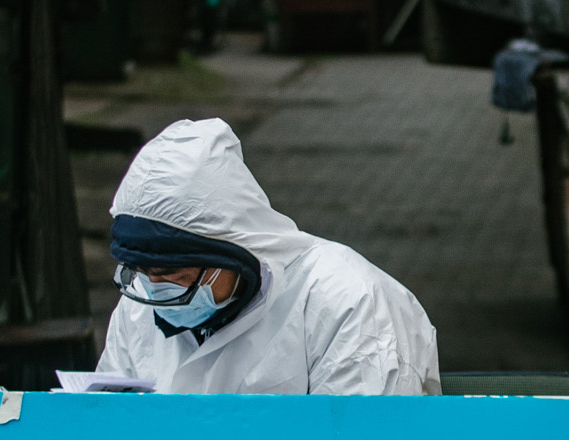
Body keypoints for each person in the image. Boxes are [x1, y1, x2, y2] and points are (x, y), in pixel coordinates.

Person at [96, 117, 441, 394]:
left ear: (233, 254)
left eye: (179, 278)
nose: (160, 292)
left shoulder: (345, 301)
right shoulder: (142, 299)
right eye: (143, 272)